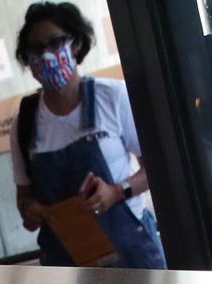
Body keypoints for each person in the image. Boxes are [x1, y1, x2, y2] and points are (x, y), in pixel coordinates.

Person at [11, 2, 167, 269]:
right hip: (69, 270)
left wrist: (117, 192)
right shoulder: (24, 121)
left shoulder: (113, 97)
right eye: (36, 49)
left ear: (76, 43)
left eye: (55, 43)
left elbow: (156, 169)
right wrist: (31, 211)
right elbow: (24, 197)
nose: (47, 56)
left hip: (132, 256)